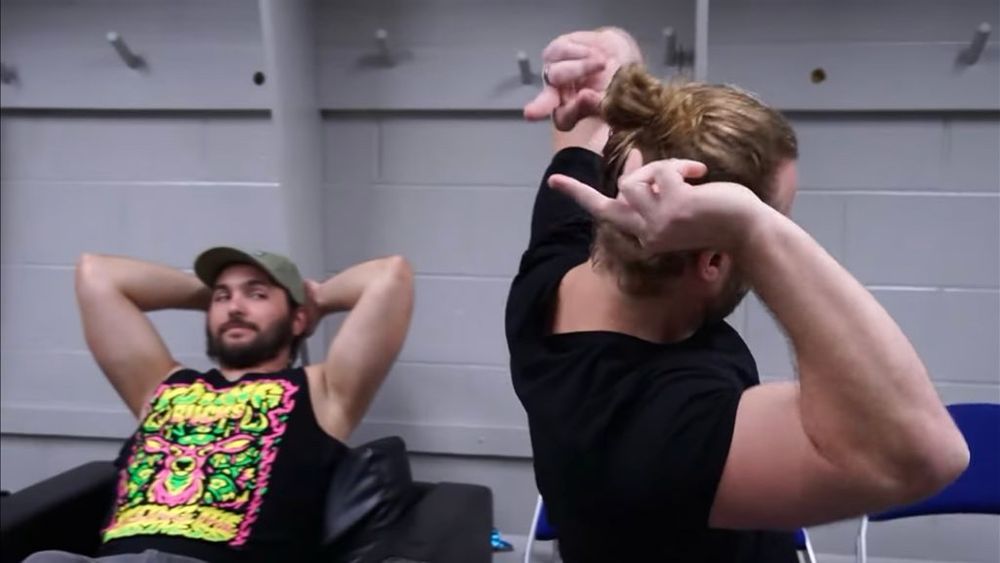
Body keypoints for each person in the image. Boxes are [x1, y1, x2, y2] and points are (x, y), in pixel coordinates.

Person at [505, 28, 969, 562]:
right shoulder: (659, 425)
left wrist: (618, 57)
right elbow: (927, 454)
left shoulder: (556, 269)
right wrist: (756, 229)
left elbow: (586, 122)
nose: (783, 231)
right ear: (713, 261)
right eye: (782, 219)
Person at [30, 247, 413, 562]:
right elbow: (95, 274)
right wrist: (215, 298)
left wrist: (317, 299)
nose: (234, 307)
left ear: (298, 319)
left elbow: (390, 277)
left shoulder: (322, 390)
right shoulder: (161, 385)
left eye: (257, 294)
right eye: (222, 297)